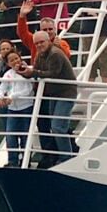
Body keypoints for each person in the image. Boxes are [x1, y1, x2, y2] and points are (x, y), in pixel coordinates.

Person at [30, 28, 77, 163]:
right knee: (57, 125)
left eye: (41, 42)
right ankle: (63, 153)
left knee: (57, 126)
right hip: (53, 93)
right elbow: (38, 70)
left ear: (48, 41)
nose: (39, 45)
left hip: (66, 93)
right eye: (36, 43)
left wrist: (32, 73)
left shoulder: (55, 53)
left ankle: (66, 158)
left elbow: (53, 73)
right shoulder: (40, 55)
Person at [0, 48, 35, 166]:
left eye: (16, 58)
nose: (15, 62)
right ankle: (13, 161)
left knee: (26, 135)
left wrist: (12, 97)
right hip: (12, 109)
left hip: (26, 107)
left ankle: (26, 160)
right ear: (7, 64)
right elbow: (1, 88)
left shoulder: (28, 70)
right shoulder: (8, 74)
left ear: (20, 58)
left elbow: (28, 90)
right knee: (10, 135)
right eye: (11, 60)